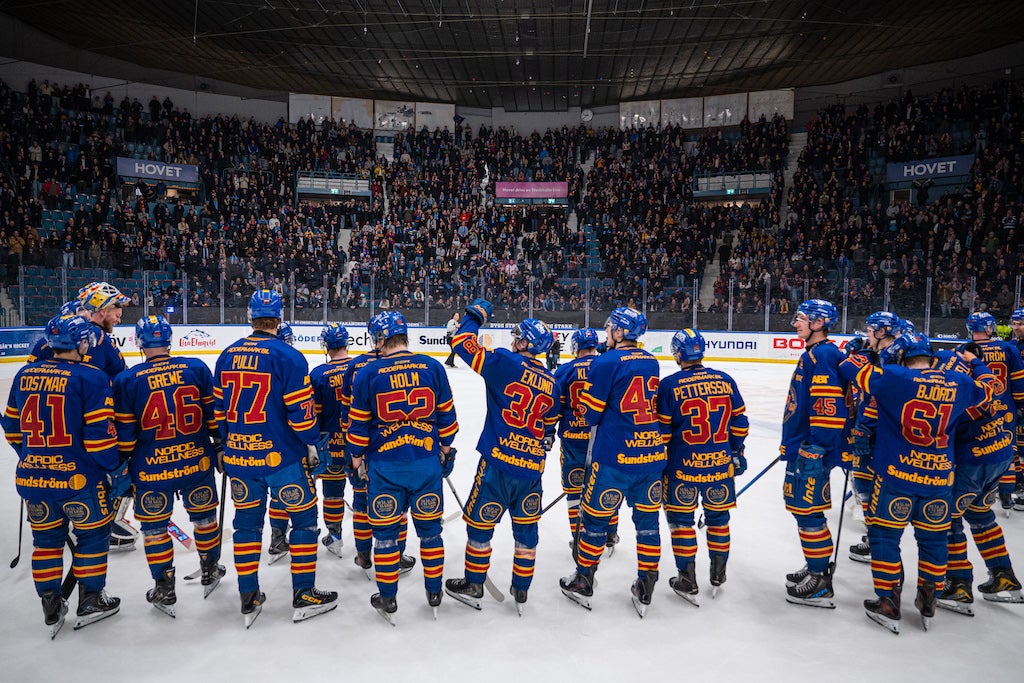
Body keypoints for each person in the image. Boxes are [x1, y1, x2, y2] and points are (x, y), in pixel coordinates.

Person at [839, 333, 992, 633]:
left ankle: (888, 601)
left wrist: (866, 352)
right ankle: (929, 598)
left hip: (896, 476)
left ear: (901, 358)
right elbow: (988, 391)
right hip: (939, 479)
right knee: (934, 540)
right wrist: (977, 364)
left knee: (884, 536)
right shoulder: (957, 382)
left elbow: (849, 368)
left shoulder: (894, 378)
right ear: (931, 359)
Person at [213, 289, 337, 627]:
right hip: (282, 459)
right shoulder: (290, 356)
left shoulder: (227, 355)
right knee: (304, 521)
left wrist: (225, 443)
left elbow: (219, 410)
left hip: (241, 459)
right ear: (279, 318)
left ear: (250, 317)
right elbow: (301, 414)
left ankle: (248, 594)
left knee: (246, 525)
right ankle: (304, 593)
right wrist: (312, 443)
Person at [2, 315, 124, 636]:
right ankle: (91, 600)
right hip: (78, 480)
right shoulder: (92, 377)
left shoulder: (25, 374)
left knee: (45, 542)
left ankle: (51, 604)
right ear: (81, 343)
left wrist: (32, 458)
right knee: (93, 535)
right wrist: (115, 467)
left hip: (33, 480)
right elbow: (99, 440)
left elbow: (11, 428)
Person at [444, 299, 559, 615]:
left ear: (525, 343)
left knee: (480, 525)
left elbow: (462, 343)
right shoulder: (552, 382)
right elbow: (550, 426)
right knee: (527, 531)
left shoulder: (506, 363)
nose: (513, 339)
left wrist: (474, 316)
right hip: (531, 470)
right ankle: (521, 589)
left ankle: (474, 583)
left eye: (517, 336)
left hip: (497, 464)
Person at [347, 311, 459, 622]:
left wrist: (356, 460)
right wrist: (444, 451)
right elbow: (448, 419)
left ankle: (388, 598)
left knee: (385, 535)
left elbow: (357, 427)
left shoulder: (369, 373)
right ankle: (434, 592)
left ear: (379, 339)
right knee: (430, 533)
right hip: (425, 465)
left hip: (385, 468)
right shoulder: (432, 367)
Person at [112, 315, 226, 617]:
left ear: (139, 342)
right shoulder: (196, 368)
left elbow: (125, 435)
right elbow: (213, 417)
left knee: (154, 529)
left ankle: (164, 587)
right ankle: (210, 568)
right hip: (196, 462)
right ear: (169, 340)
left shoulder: (127, 380)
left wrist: (121, 463)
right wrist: (219, 445)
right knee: (204, 519)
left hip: (151, 469)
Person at [559, 306, 666, 617]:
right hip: (651, 456)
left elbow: (591, 414)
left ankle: (583, 580)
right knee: (647, 524)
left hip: (613, 458)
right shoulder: (651, 360)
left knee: (594, 521)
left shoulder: (605, 361)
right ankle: (646, 584)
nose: (606, 333)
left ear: (619, 332)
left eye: (610, 328)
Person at [656, 328, 748, 605]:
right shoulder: (725, 380)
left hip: (682, 468)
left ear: (677, 354)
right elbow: (740, 423)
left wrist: (658, 460)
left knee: (681, 522)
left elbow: (663, 433)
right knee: (719, 520)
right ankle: (718, 574)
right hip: (719, 467)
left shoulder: (669, 385)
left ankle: (687, 579)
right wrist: (736, 451)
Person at [781, 299, 850, 608]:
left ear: (818, 323)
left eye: (801, 318)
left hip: (812, 451)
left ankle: (820, 579)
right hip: (805, 446)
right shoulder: (815, 353)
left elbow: (828, 408)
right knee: (802, 508)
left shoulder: (823, 355)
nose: (796, 323)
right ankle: (814, 565)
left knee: (807, 509)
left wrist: (816, 448)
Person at [79, 282, 137, 553]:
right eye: (116, 310)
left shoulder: (80, 333)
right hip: (100, 422)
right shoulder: (98, 338)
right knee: (121, 471)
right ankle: (107, 524)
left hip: (81, 423)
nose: (119, 316)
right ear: (102, 309)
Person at [552, 328, 618, 546]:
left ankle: (579, 537)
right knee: (606, 486)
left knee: (574, 490)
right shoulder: (607, 365)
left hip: (573, 440)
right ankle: (610, 533)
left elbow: (555, 408)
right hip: (603, 439)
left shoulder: (564, 371)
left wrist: (548, 432)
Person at [847, 311, 901, 564]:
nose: (866, 335)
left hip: (878, 435)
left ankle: (880, 547)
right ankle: (875, 541)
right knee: (869, 490)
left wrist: (864, 428)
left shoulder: (888, 359)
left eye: (870, 331)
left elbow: (876, 398)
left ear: (881, 332)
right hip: (882, 433)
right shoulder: (888, 355)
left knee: (870, 489)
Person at [963, 312, 1024, 513]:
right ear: (989, 328)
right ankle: (1006, 493)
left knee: (975, 447)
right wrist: (1020, 404)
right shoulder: (1008, 348)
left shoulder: (963, 350)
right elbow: (1018, 381)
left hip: (976, 409)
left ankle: (972, 491)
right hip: (1004, 407)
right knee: (1007, 447)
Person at [308, 322, 352, 557]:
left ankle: (335, 536)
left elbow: (313, 416)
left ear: (326, 345)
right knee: (365, 491)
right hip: (360, 445)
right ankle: (368, 542)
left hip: (330, 445)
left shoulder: (318, 374)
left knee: (333, 491)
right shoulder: (362, 368)